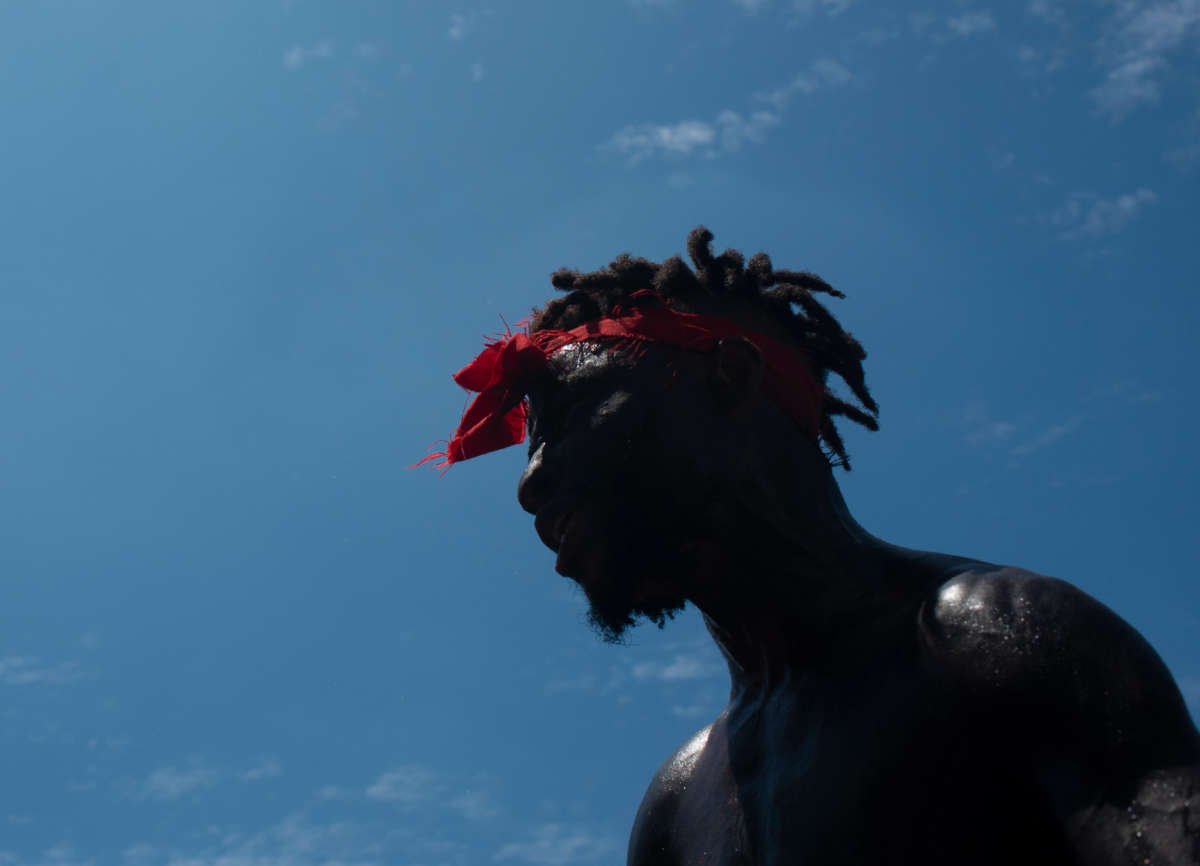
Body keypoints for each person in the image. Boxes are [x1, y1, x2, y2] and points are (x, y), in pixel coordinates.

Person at [422, 227, 1200, 864]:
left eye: (570, 414)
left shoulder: (997, 641)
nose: (531, 478)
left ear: (728, 377)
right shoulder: (675, 804)